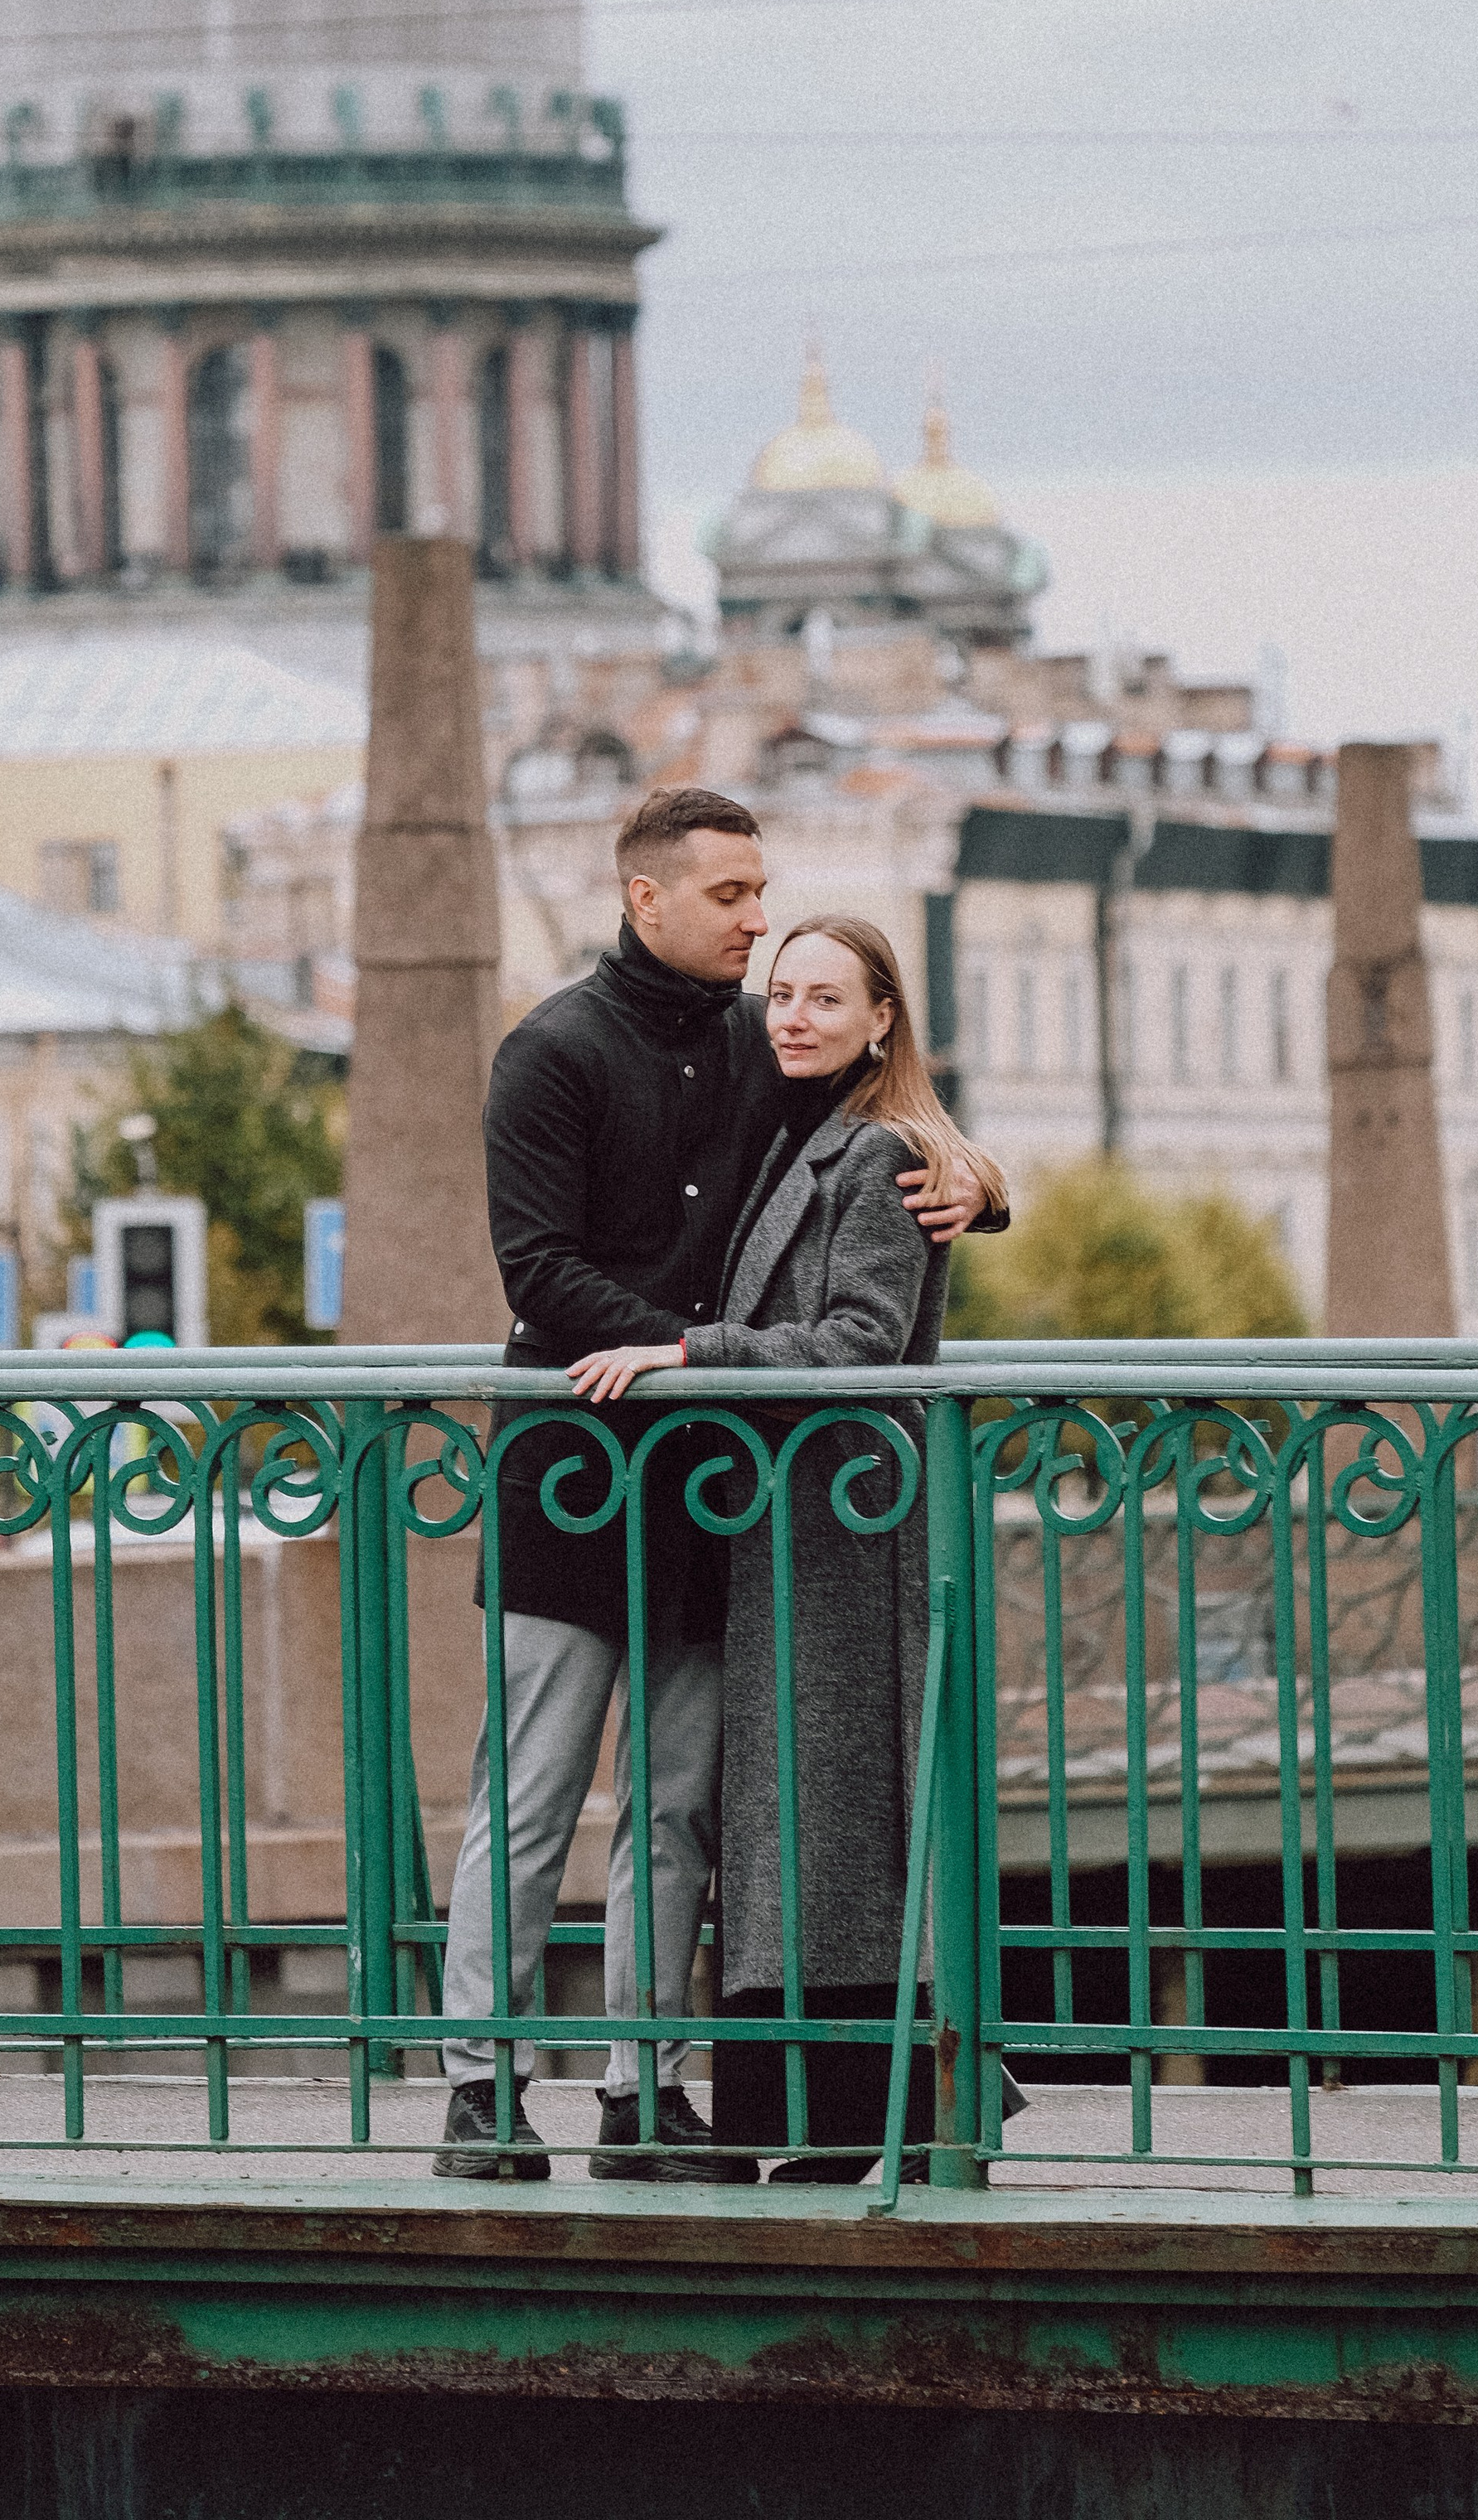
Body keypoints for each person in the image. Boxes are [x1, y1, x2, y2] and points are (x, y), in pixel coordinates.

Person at [434, 792, 1001, 2182]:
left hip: (711, 1488)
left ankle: (644, 2090)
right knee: (531, 1797)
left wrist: (980, 1185)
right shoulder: (551, 1051)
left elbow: (884, 1122)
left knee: (677, 1809)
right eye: (736, 897)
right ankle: (480, 2091)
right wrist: (665, 1350)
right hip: (572, 1473)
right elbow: (538, 1270)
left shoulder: (767, 1041)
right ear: (649, 902)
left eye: (764, 894)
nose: (760, 920)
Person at [570, 916, 1008, 2180]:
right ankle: (832, 2117)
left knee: (835, 1829)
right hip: (796, 1525)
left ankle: (855, 2117)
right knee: (802, 1829)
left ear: (885, 1020)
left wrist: (689, 1353)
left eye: (827, 997)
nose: (795, 1016)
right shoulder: (805, 1129)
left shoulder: (876, 1152)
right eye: (781, 995)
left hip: (848, 1530)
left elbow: (863, 1340)